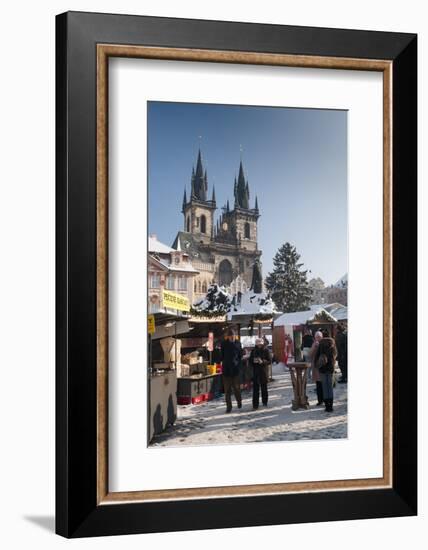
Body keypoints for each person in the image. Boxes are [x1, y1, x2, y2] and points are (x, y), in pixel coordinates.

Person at [314, 330, 338, 412]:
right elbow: (335, 354)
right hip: (330, 368)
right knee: (330, 387)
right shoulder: (332, 343)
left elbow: (317, 356)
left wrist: (316, 365)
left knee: (324, 387)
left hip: (322, 368)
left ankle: (327, 406)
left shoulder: (321, 344)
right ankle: (331, 406)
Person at [220, 328, 243, 413]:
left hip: (235, 369)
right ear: (228, 337)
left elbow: (240, 355)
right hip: (226, 370)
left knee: (237, 388)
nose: (232, 337)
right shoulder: (224, 344)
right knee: (227, 390)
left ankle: (239, 401)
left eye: (233, 336)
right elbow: (221, 356)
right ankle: (228, 407)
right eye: (231, 336)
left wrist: (238, 364)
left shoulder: (238, 343)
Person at [250, 338, 271, 409]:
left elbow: (269, 361)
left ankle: (265, 401)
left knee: (264, 388)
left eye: (260, 344)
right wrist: (253, 361)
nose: (259, 345)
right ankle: (255, 405)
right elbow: (250, 361)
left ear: (262, 344)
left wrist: (262, 361)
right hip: (256, 372)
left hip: (263, 371)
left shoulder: (266, 350)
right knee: (255, 389)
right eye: (258, 344)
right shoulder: (253, 351)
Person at [310, 331, 324, 405]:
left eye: (319, 337)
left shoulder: (324, 343)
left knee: (323, 384)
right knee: (318, 385)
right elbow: (310, 354)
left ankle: (325, 399)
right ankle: (320, 400)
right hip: (316, 367)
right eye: (316, 337)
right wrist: (314, 347)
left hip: (323, 367)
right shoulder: (314, 344)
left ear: (322, 337)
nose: (318, 338)